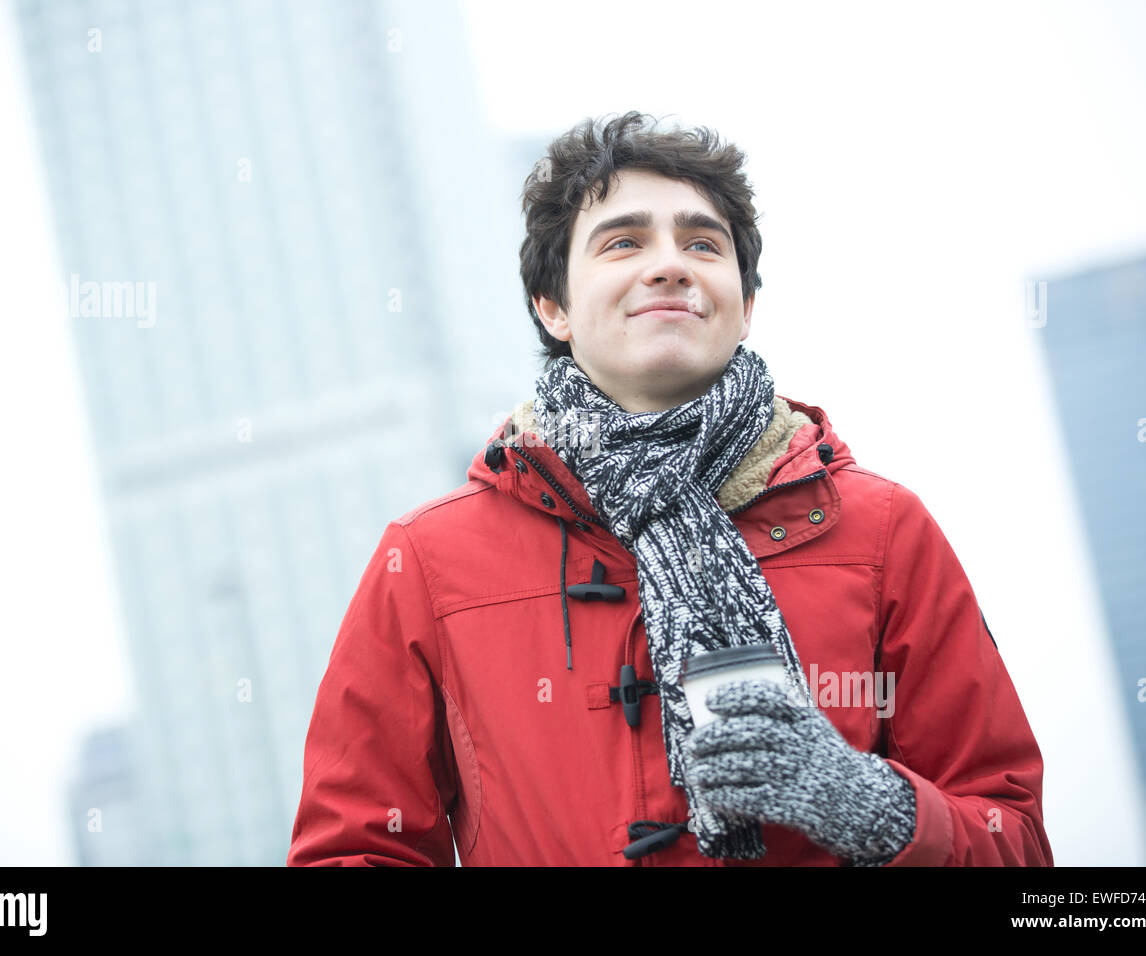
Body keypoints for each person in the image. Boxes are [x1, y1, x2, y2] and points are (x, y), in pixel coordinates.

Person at [286, 111, 1054, 866]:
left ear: (744, 305)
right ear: (552, 309)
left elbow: (1015, 841)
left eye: (701, 243)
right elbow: (352, 849)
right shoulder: (427, 560)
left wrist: (868, 806)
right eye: (623, 242)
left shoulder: (882, 530)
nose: (670, 264)